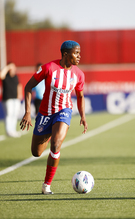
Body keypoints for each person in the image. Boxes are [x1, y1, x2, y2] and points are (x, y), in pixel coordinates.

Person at [20, 40, 88, 195]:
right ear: (65, 54)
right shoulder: (48, 68)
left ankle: (46, 185)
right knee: (36, 153)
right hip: (44, 114)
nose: (79, 56)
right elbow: (28, 86)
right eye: (76, 53)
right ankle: (51, 131)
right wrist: (28, 112)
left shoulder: (79, 74)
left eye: (79, 53)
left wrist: (83, 116)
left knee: (56, 144)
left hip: (64, 111)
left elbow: (80, 95)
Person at [0, 62, 22, 138]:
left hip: (15, 98)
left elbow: (19, 85)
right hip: (7, 98)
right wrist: (8, 67)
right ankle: (8, 131)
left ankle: (13, 130)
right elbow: (0, 75)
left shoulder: (16, 77)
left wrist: (20, 94)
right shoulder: (5, 76)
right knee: (9, 114)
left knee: (15, 114)